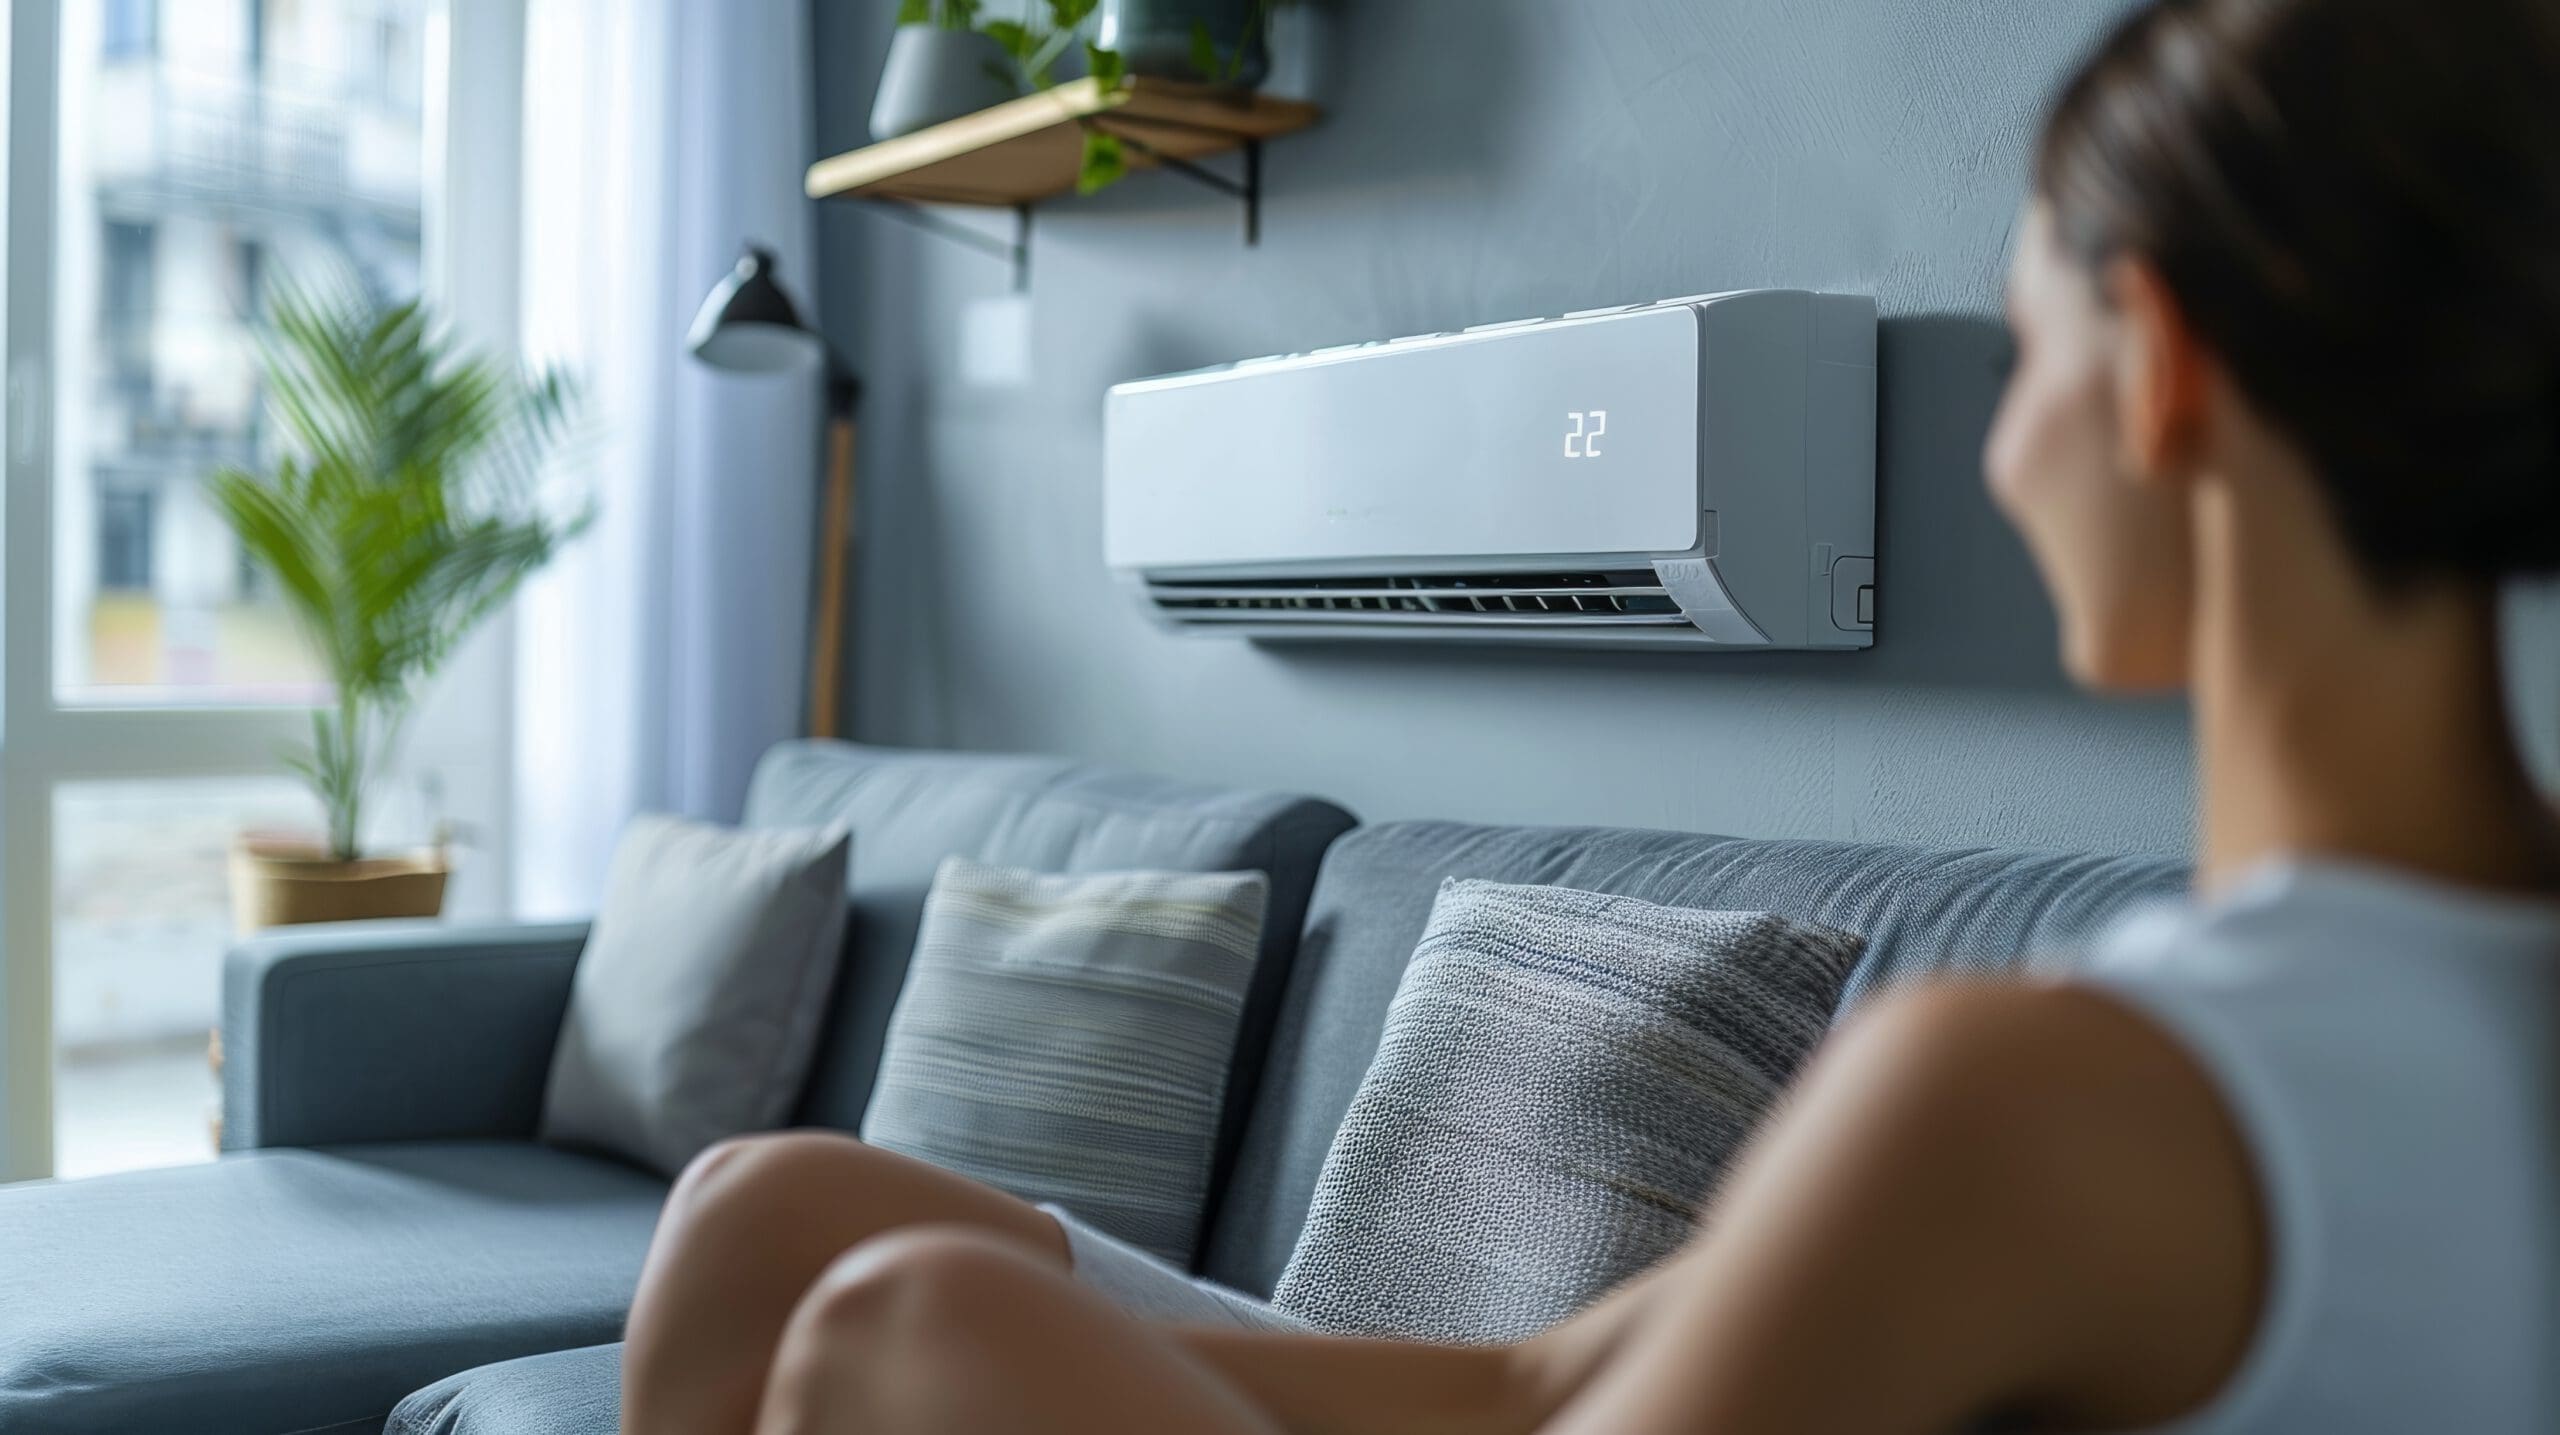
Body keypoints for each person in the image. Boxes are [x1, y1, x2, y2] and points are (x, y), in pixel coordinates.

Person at [622, 0, 2560, 1429]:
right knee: (771, 1206)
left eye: (2028, 353)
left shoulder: (2033, 1090)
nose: (1999, 449)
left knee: (905, 1335)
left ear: (2162, 382)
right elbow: (1557, 1372)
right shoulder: (2304, 1006)